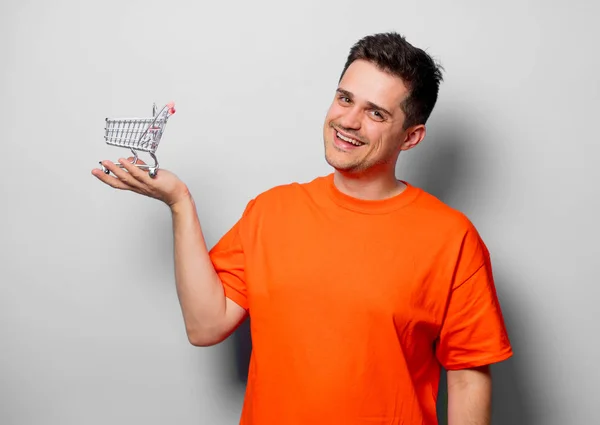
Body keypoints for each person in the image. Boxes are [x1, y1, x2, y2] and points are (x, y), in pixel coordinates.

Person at [92, 32, 513, 425]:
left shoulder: (451, 237)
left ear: (411, 137)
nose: (348, 121)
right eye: (345, 98)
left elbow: (467, 375)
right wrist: (179, 202)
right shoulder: (272, 210)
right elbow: (206, 326)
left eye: (376, 113)